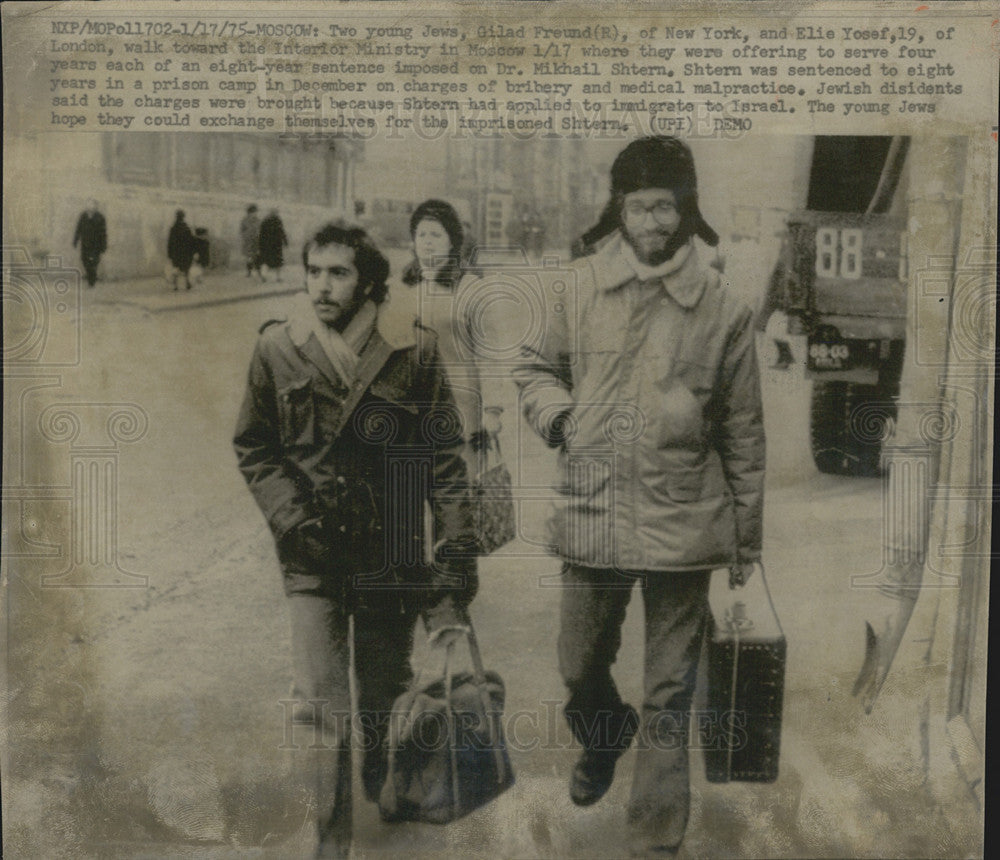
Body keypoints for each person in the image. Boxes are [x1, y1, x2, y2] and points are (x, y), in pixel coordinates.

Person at [514, 136, 765, 857]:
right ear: (617, 210)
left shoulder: (723, 308)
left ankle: (653, 840)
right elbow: (534, 368)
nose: (653, 222)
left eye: (666, 206)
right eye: (639, 206)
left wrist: (747, 537)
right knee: (577, 662)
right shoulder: (577, 287)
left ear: (688, 210)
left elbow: (745, 432)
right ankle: (601, 731)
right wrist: (559, 416)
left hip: (684, 515)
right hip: (594, 505)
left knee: (670, 691)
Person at [233, 221, 477, 858]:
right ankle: (329, 843)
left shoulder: (413, 352)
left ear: (368, 280)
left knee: (381, 693)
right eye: (314, 271)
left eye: (338, 273)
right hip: (310, 552)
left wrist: (454, 555)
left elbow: (446, 457)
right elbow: (255, 447)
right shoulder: (279, 348)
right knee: (319, 703)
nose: (321, 286)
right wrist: (291, 520)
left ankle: (381, 770)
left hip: (389, 550)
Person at [395, 199, 504, 474]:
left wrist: (492, 411)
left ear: (452, 242)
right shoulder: (402, 289)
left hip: (461, 408)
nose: (427, 242)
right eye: (421, 234)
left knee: (462, 492)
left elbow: (489, 354)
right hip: (412, 409)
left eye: (435, 235)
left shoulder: (471, 288)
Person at [73, 198, 107, 287]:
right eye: (89, 205)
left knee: (94, 261)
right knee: (84, 260)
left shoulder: (100, 217)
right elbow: (78, 229)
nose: (91, 207)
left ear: (96, 207)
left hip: (96, 244)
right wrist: (75, 240)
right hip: (85, 243)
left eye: (93, 205)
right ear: (87, 206)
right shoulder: (83, 216)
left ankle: (91, 281)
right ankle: (92, 276)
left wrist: (103, 245)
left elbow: (103, 232)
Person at [166, 209, 195, 290]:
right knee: (186, 269)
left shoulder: (173, 228)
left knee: (176, 269)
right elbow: (191, 241)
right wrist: (192, 252)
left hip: (176, 253)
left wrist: (169, 253)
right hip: (185, 253)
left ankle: (175, 285)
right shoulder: (186, 228)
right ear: (183, 217)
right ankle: (187, 283)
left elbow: (170, 242)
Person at [258, 208, 288, 283]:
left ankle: (264, 276)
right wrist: (285, 241)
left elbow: (261, 234)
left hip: (266, 245)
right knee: (278, 262)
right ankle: (278, 277)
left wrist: (260, 245)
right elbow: (282, 232)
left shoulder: (265, 221)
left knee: (265, 261)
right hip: (276, 245)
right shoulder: (278, 221)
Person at [239, 204, 262, 280]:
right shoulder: (244, 221)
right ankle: (249, 272)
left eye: (255, 212)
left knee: (257, 256)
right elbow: (242, 231)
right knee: (249, 257)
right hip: (248, 241)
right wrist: (246, 236)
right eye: (253, 212)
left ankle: (259, 271)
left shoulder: (258, 220)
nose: (255, 214)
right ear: (249, 213)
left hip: (257, 241)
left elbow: (261, 230)